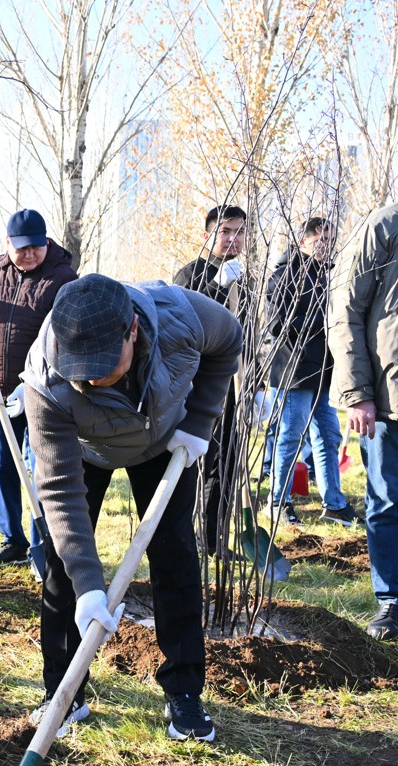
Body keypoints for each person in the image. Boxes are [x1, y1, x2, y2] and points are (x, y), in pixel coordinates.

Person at [21, 274, 241, 740]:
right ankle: (63, 692)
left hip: (166, 442)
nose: (91, 379)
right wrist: (89, 588)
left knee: (175, 554)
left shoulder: (183, 318)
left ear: (133, 331)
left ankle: (184, 691)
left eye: (102, 366)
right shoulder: (45, 379)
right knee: (63, 562)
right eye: (80, 369)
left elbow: (228, 341)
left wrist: (199, 422)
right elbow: (59, 488)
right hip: (86, 451)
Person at [0, 208, 78, 566]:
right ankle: (13, 541)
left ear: (45, 242)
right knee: (3, 464)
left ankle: (42, 548)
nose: (30, 254)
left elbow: (66, 338)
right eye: (22, 248)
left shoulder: (63, 278)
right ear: (7, 244)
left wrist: (34, 382)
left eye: (36, 247)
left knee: (40, 470)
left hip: (40, 391)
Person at [329, 202, 398, 641]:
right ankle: (392, 601)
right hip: (389, 400)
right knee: (387, 500)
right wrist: (358, 393)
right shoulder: (385, 226)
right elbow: (346, 310)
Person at [266, 218, 359, 527]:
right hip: (295, 371)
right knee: (290, 438)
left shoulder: (328, 276)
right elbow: (277, 324)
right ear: (303, 241)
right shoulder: (284, 276)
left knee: (328, 436)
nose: (326, 246)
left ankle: (334, 504)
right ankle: (278, 503)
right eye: (321, 240)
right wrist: (323, 323)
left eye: (331, 241)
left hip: (323, 374)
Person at [173, 204, 250, 557]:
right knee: (197, 461)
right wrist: (217, 286)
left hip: (234, 386)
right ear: (207, 236)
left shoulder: (244, 282)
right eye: (225, 231)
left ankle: (213, 539)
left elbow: (248, 335)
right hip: (198, 386)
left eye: (240, 232)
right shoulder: (190, 275)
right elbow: (184, 323)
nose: (233, 239)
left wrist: (255, 384)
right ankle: (185, 537)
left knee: (226, 461)